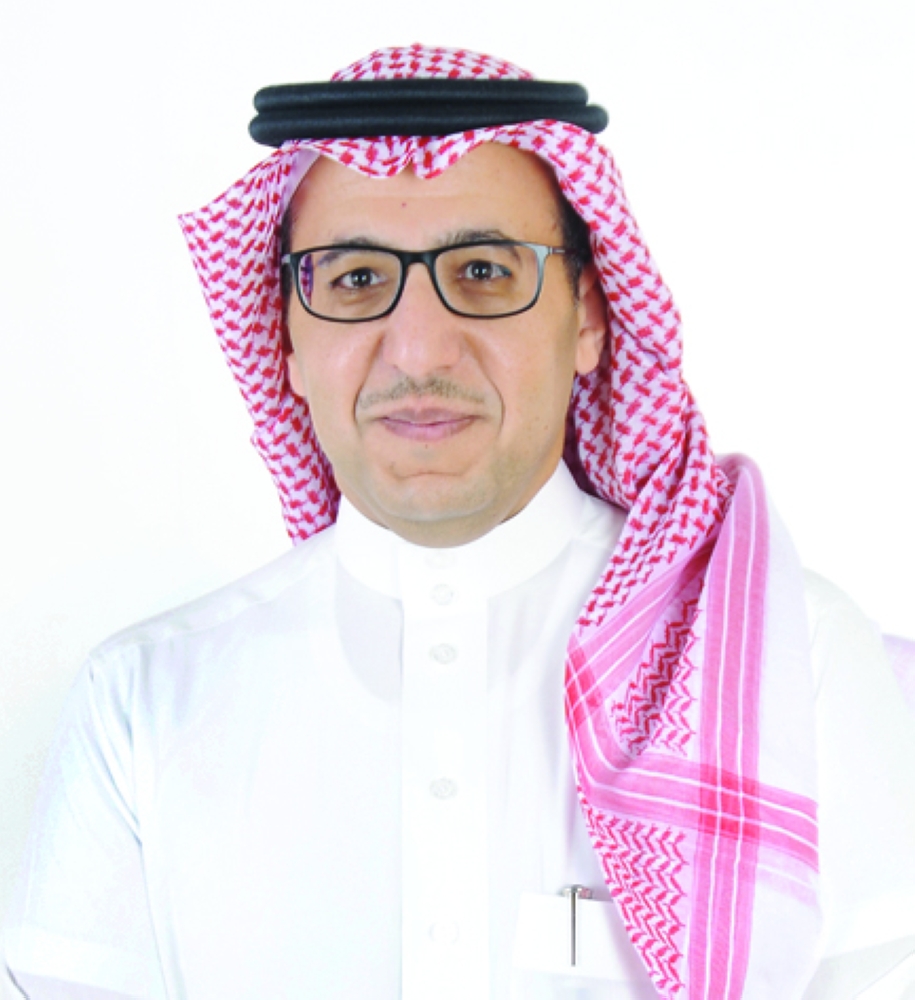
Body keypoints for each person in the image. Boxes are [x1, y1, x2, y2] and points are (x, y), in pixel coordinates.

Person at [4, 43, 915, 1000]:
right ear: (284, 340)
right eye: (355, 280)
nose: (418, 349)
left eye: (482, 270)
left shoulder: (793, 660)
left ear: (589, 318)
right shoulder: (143, 704)